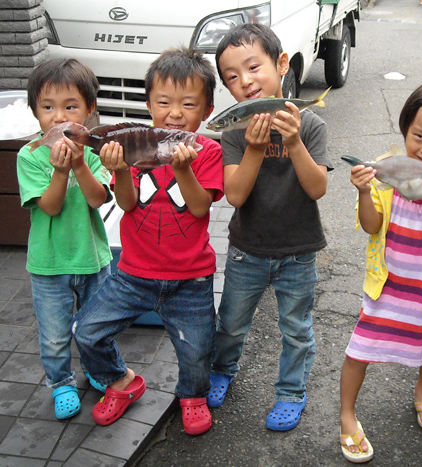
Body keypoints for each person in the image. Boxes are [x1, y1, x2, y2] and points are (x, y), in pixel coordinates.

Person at [72, 46, 223, 436]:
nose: (175, 112)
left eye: (189, 104)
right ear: (148, 104)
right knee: (85, 330)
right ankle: (121, 381)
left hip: (190, 279)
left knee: (197, 349)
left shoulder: (209, 151)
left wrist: (183, 168)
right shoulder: (133, 145)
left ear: (206, 110)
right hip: (132, 275)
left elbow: (198, 207)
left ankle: (193, 395)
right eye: (163, 102)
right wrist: (120, 170)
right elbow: (126, 203)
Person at [339, 81, 422, 462]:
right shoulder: (386, 170)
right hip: (390, 287)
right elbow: (371, 225)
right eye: (418, 136)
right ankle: (347, 414)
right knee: (360, 349)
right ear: (405, 129)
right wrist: (365, 191)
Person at [206, 23, 332, 432]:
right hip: (247, 251)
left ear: (280, 64)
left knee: (297, 330)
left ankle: (291, 392)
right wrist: (255, 149)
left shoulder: (310, 125)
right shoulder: (235, 131)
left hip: (299, 252)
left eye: (253, 67)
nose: (244, 81)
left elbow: (317, 188)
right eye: (231, 77)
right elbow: (235, 196)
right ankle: (223, 369)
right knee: (231, 322)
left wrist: (293, 143)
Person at [16, 58, 112, 420]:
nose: (58, 117)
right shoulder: (29, 157)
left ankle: (99, 369)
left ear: (89, 110)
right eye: (47, 107)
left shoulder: (93, 149)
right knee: (55, 336)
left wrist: (78, 165)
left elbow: (97, 198)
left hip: (92, 257)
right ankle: (61, 383)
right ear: (35, 111)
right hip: (49, 264)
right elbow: (51, 207)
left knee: (96, 326)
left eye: (70, 106)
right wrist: (59, 170)